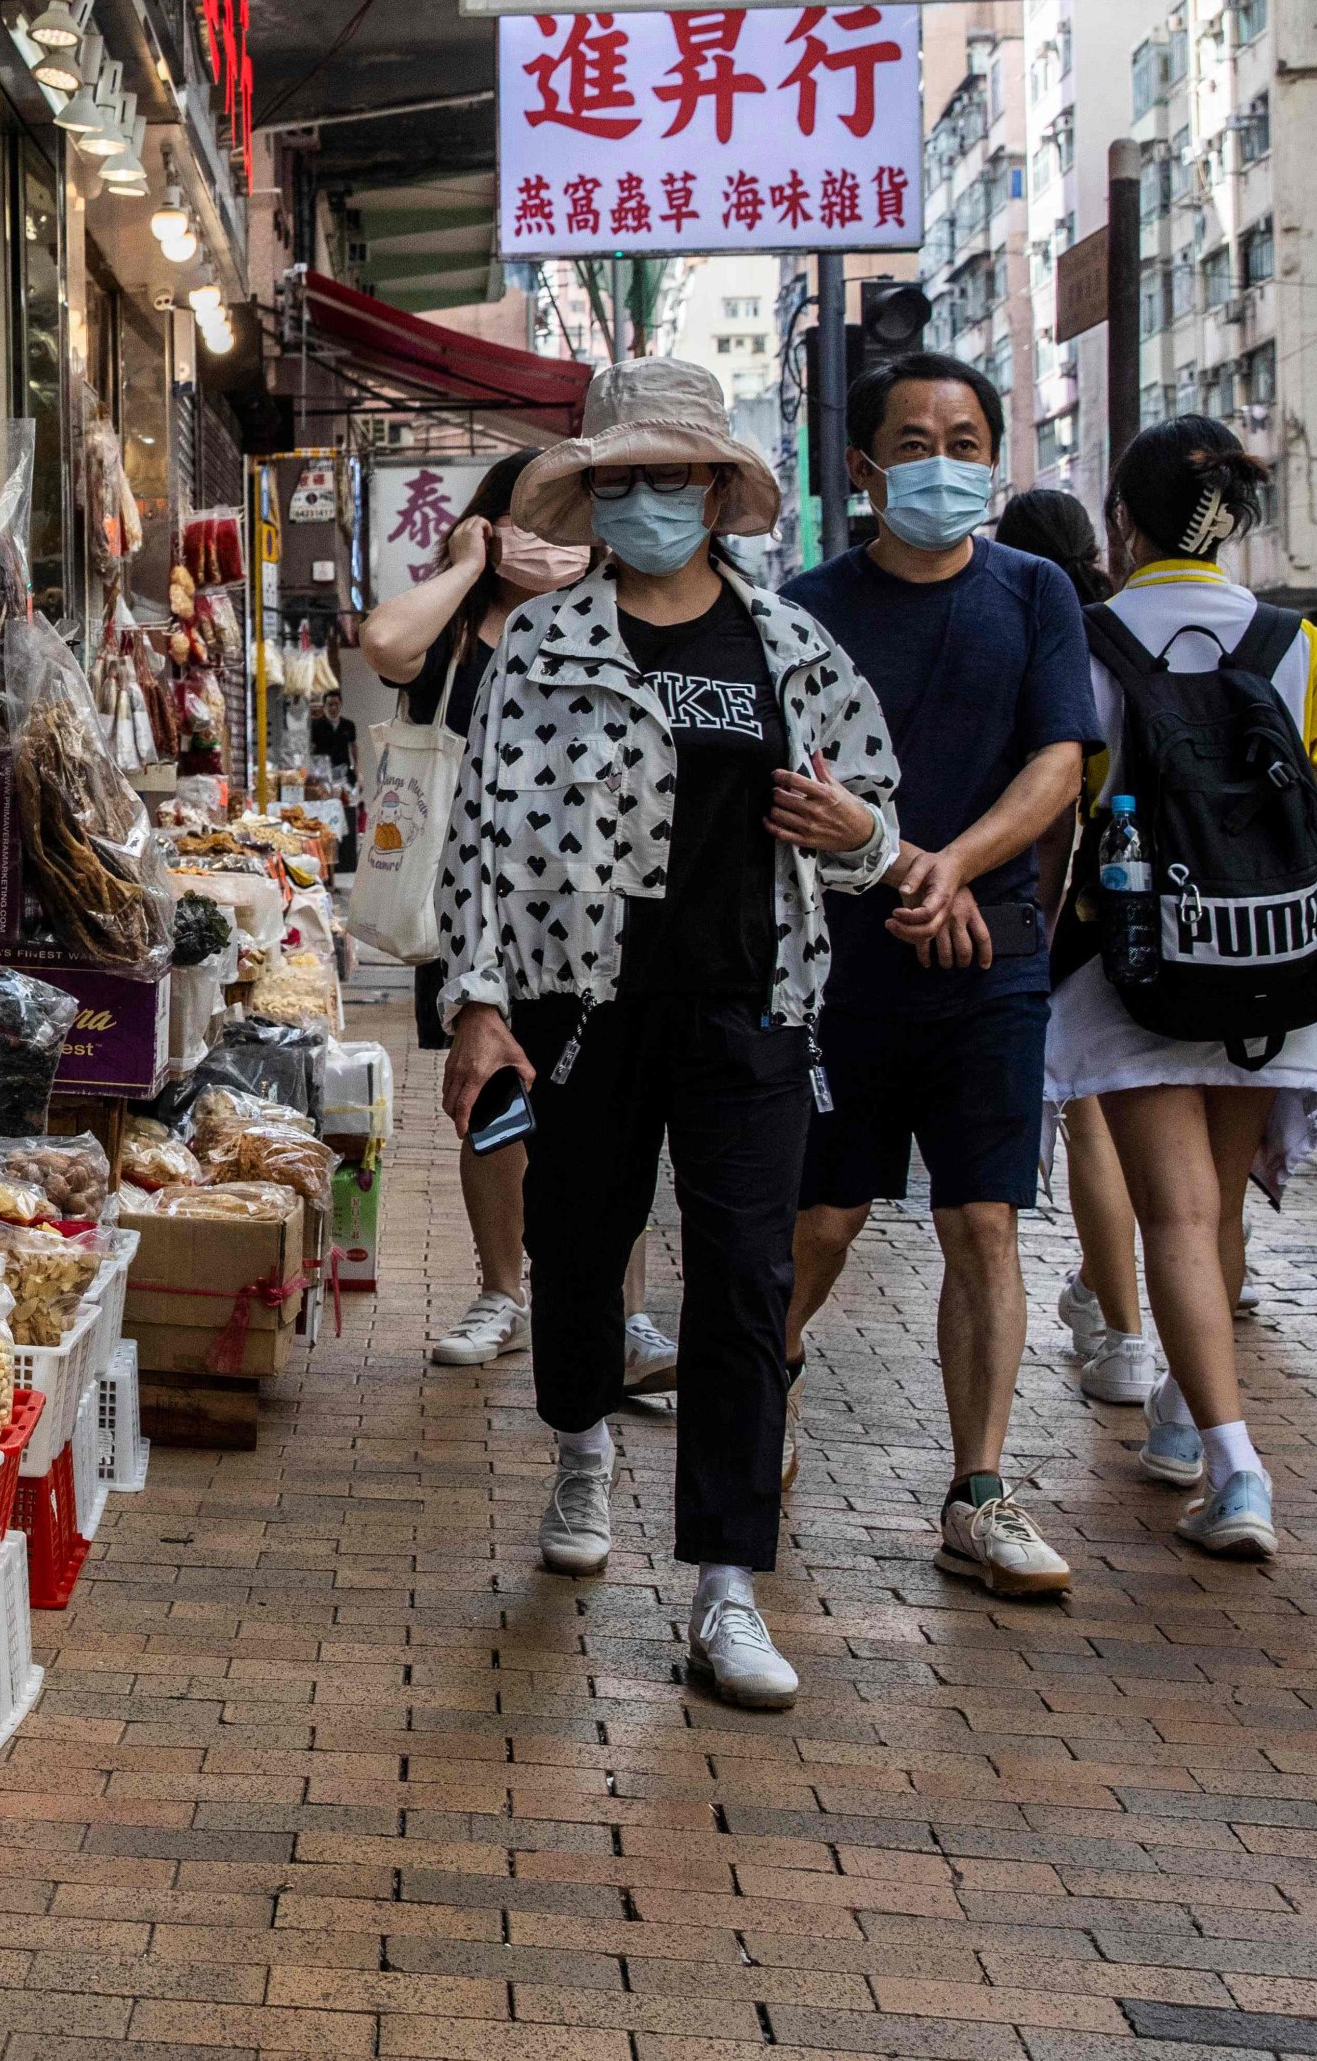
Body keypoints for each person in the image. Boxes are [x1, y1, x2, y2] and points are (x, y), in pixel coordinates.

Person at [432, 359, 903, 1710]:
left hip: (753, 999)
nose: (647, 501)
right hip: (580, 1003)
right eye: (621, 479)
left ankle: (726, 1587)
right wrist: (476, 1001)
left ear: (716, 490)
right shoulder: (541, 643)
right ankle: (581, 1451)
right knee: (578, 1251)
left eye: (672, 477)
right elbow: (480, 839)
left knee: (745, 1279)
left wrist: (862, 836)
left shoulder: (792, 646)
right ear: (595, 494)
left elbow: (873, 817)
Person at [1047, 417, 1317, 1562]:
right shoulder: (1297, 644)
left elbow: (1061, 803)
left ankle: (1235, 1463)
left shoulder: (1087, 638)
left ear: (1123, 521)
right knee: (1222, 1207)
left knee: (1176, 1215)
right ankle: (1178, 1420)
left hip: (1140, 963)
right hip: (1275, 962)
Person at [782, 354, 1098, 1600]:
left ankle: (977, 1490)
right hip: (840, 962)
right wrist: (907, 871)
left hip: (992, 955)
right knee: (821, 1220)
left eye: (964, 439)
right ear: (861, 470)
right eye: (911, 442)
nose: (941, 461)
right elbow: (800, 785)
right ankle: (778, 1374)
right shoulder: (805, 606)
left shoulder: (1034, 593)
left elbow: (1057, 758)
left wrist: (956, 867)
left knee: (984, 1219)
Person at [359, 455, 682, 1391]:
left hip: (595, 911)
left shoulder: (616, 622)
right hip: (473, 906)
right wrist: (465, 566)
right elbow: (384, 642)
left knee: (610, 1115)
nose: (552, 543)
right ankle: (503, 1293)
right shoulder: (460, 634)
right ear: (492, 523)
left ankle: (622, 1318)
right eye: (527, 522)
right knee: (493, 1109)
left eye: (569, 523)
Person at [996, 487, 1163, 1411]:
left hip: (1075, 910)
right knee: (1181, 1130)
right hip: (1177, 914)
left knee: (1093, 1123)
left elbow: (1056, 799)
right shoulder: (1116, 623)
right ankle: (1116, 1305)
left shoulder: (1045, 630)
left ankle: (1122, 1334)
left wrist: (1046, 910)